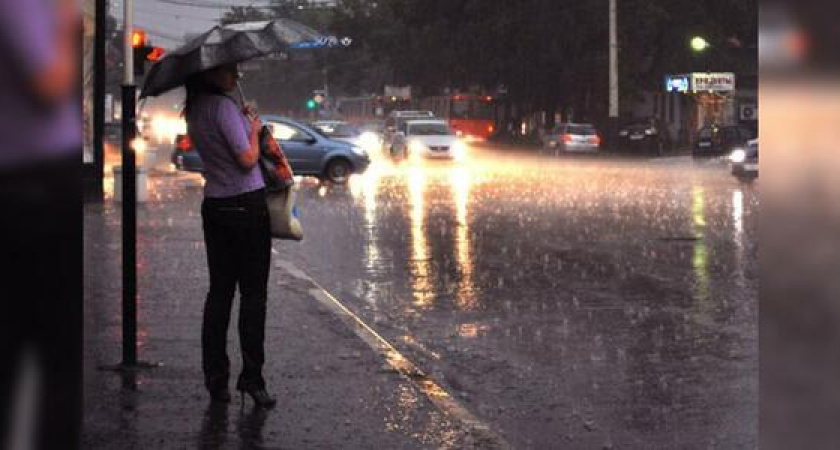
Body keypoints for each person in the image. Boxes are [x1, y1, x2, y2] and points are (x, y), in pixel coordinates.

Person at [0, 0, 83, 448]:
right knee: (53, 347)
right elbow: (50, 85)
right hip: (33, 190)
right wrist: (66, 21)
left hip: (37, 186)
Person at [182, 63, 276, 408]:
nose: (236, 76)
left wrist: (244, 119)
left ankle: (215, 378)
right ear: (208, 73)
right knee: (253, 297)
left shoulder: (194, 109)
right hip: (246, 207)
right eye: (229, 71)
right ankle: (252, 379)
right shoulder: (222, 107)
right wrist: (253, 128)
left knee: (219, 294)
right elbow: (247, 159)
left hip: (215, 207)